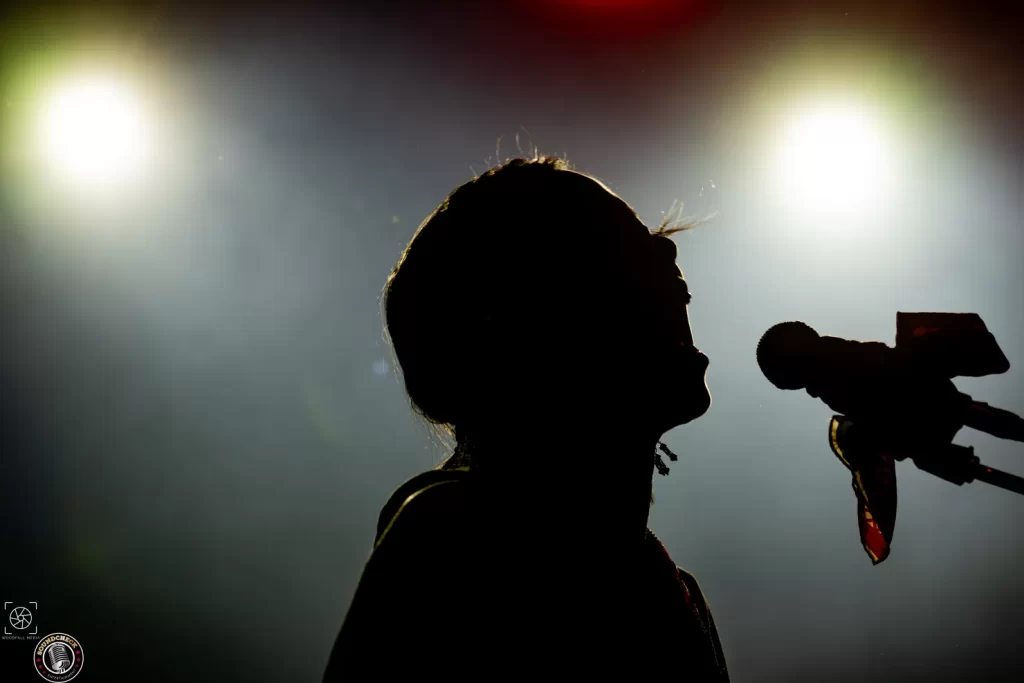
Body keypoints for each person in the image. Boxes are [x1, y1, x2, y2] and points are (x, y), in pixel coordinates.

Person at [323, 156, 729, 679]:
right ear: (533, 319)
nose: (667, 249)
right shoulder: (452, 544)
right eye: (619, 245)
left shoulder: (672, 588)